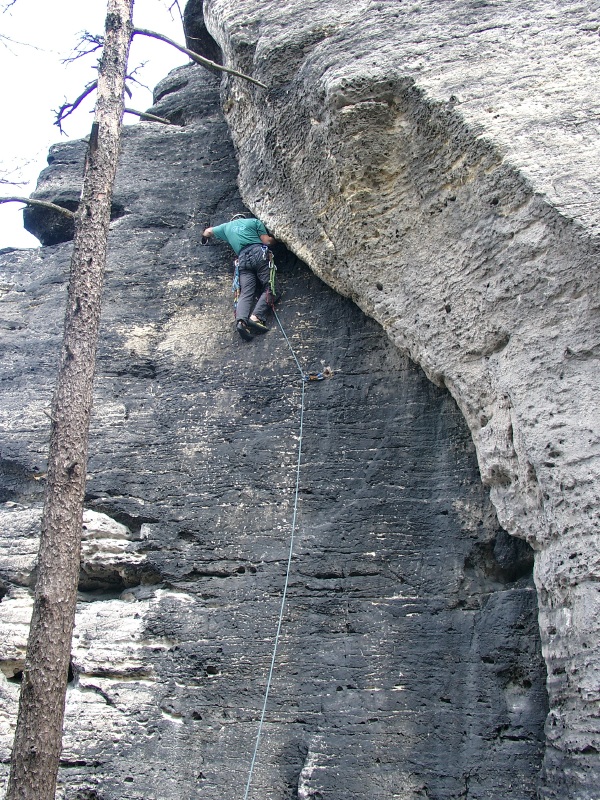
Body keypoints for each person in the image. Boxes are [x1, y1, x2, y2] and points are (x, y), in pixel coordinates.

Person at [202, 215, 277, 341]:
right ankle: (255, 317)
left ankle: (241, 322)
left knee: (246, 292)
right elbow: (267, 241)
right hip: (258, 253)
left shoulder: (226, 227)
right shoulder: (253, 222)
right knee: (271, 287)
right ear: (243, 218)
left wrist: (204, 238)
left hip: (242, 259)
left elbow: (208, 231)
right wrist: (277, 240)